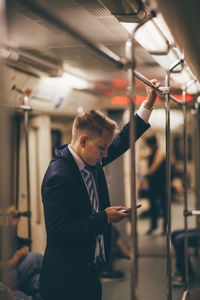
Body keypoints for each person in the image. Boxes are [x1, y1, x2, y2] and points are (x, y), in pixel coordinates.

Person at [39, 79, 160, 300]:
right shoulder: (59, 176)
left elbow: (123, 140)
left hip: (89, 271)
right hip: (65, 280)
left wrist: (149, 103)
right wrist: (104, 217)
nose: (106, 155)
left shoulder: (92, 160)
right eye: (102, 148)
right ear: (83, 140)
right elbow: (60, 233)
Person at [0, 210, 43, 300]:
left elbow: (9, 243)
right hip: (6, 278)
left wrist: (13, 224)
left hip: (12, 271)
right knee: (36, 257)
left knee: (39, 281)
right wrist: (16, 259)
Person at [143, 135, 166, 235]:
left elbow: (154, 167)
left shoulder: (159, 153)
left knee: (164, 205)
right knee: (153, 206)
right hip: (153, 184)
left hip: (161, 183)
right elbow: (142, 155)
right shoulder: (152, 152)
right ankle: (153, 226)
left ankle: (165, 227)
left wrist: (145, 175)